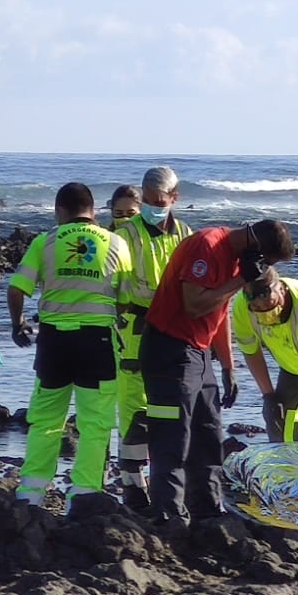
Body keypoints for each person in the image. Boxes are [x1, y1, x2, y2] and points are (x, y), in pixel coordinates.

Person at [141, 219, 295, 527]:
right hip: (168, 347)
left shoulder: (236, 260)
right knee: (173, 434)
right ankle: (167, 512)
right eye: (265, 261)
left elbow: (219, 311)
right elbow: (194, 305)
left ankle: (206, 508)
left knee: (208, 431)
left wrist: (228, 365)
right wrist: (239, 280)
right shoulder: (208, 246)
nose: (263, 269)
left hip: (198, 353)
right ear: (255, 244)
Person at [7, 183, 132, 506]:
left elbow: (16, 289)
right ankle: (86, 492)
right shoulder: (117, 243)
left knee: (46, 419)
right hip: (97, 342)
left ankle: (31, 492)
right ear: (94, 211)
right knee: (96, 422)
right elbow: (127, 298)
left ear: (60, 211)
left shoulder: (46, 241)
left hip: (54, 343)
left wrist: (18, 324)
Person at [111, 165, 193, 510]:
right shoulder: (126, 234)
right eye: (147, 200)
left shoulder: (185, 233)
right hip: (135, 327)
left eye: (158, 201)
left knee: (169, 408)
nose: (152, 206)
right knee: (133, 407)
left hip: (174, 330)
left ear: (174, 198)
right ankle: (132, 485)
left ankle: (165, 482)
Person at [230, 267, 298, 442]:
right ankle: (286, 467)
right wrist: (268, 395)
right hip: (293, 369)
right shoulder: (242, 307)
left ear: (281, 288)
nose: (265, 314)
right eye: (257, 308)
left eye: (269, 305)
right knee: (278, 424)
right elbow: (250, 351)